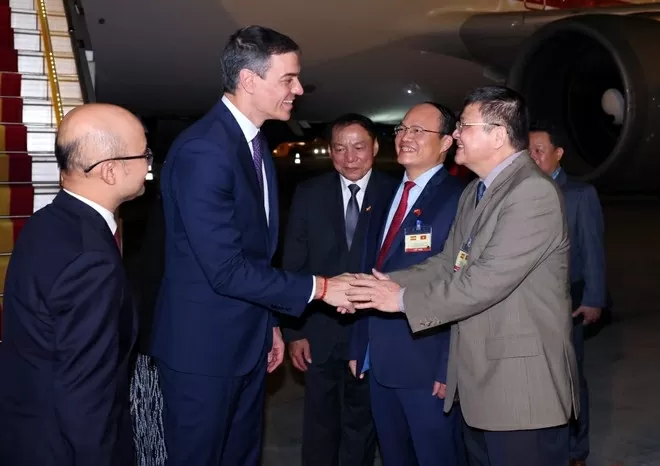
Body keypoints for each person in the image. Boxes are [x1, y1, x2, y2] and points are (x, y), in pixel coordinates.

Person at [150, 25, 353, 466]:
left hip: (246, 341)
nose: (299, 89)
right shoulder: (205, 150)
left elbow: (254, 253)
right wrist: (320, 288)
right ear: (248, 80)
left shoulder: (253, 142)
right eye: (288, 79)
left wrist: (270, 325)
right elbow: (225, 269)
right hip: (203, 352)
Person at [345, 85, 579, 466]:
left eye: (464, 126)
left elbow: (482, 283)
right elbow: (447, 263)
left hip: (520, 392)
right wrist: (385, 285)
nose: (456, 134)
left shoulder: (531, 193)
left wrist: (400, 300)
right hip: (481, 384)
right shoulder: (476, 192)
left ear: (498, 135)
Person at [0, 103, 150, 465]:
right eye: (144, 154)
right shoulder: (90, 259)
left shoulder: (46, 221)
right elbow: (86, 393)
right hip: (62, 448)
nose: (149, 164)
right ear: (110, 171)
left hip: (26, 430)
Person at [349, 102, 467, 466]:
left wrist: (449, 365)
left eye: (418, 130)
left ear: (446, 142)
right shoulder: (383, 194)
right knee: (394, 455)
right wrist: (360, 343)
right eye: (402, 129)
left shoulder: (461, 198)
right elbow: (369, 270)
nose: (405, 137)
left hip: (427, 363)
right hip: (379, 360)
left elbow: (462, 285)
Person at [282, 113, 396, 466]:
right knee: (320, 426)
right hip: (319, 332)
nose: (350, 158)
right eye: (340, 149)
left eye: (359, 147)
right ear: (330, 152)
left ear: (374, 147)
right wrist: (295, 332)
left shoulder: (395, 193)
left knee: (362, 426)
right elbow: (294, 265)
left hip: (374, 331)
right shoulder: (309, 193)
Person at [529, 121, 607, 466]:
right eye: (527, 150)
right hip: (528, 303)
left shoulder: (579, 195)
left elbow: (593, 250)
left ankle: (576, 449)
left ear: (558, 154)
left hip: (568, 303)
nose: (532, 156)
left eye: (539, 150)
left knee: (570, 378)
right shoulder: (520, 192)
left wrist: (594, 298)